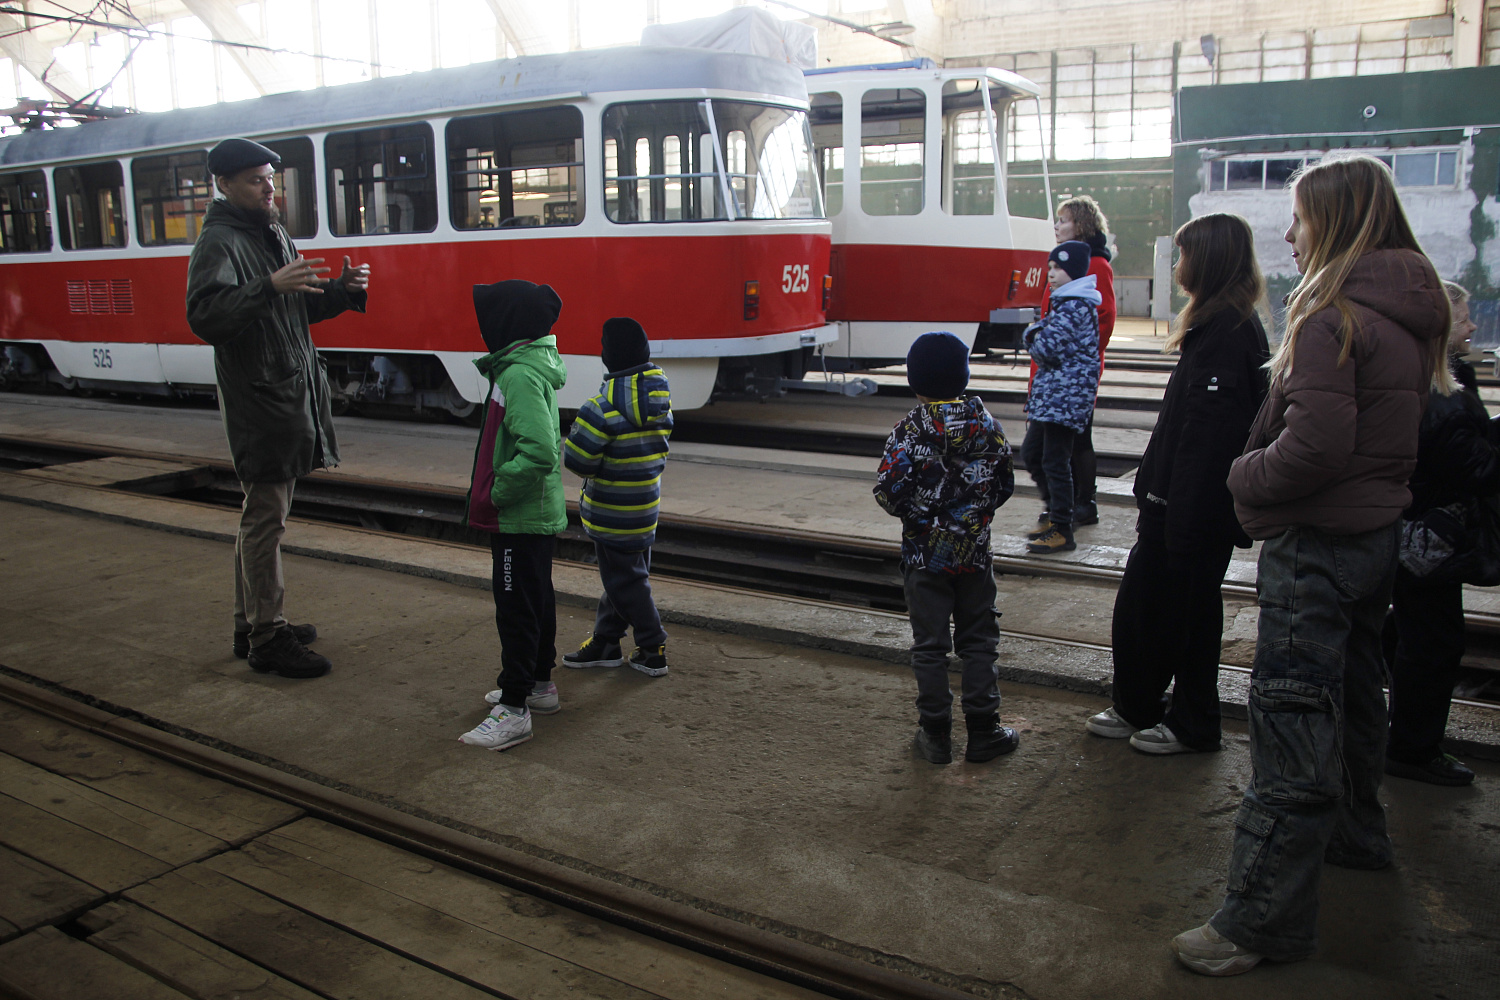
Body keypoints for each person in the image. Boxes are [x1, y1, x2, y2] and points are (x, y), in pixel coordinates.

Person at [1172, 155, 1451, 976]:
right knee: (1357, 701)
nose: (1289, 235)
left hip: (1319, 543)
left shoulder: (1333, 319)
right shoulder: (1407, 314)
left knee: (1291, 723)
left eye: (1299, 218)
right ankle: (1359, 835)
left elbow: (1316, 446)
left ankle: (1260, 922)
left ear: (1334, 221)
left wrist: (1241, 476)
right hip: (1374, 539)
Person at [186, 137, 370, 679]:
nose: (269, 189)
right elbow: (206, 318)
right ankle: (268, 636)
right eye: (255, 180)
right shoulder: (219, 242)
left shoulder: (269, 232)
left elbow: (293, 312)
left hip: (284, 391)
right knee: (265, 519)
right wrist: (267, 286)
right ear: (224, 184)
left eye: (270, 179)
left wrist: (340, 291)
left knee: (262, 516)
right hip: (259, 399)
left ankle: (250, 624)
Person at [1087, 214, 1270, 754]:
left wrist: (1182, 514)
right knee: (1148, 610)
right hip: (1174, 502)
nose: (1177, 266)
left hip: (1193, 510)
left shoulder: (1228, 332)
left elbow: (1207, 437)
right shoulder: (1215, 324)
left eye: (1184, 255)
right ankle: (1138, 704)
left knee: (1186, 616)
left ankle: (1194, 724)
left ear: (1208, 262)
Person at [874, 331, 1019, 765]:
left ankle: (935, 735)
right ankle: (984, 730)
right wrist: (971, 515)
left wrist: (922, 516)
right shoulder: (987, 427)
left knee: (930, 645)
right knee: (979, 641)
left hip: (924, 558)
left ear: (914, 382)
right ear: (964, 376)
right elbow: (1004, 486)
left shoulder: (908, 431)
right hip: (974, 555)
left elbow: (888, 493)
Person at [1385, 280, 1493, 787]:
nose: (1472, 326)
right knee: (1434, 643)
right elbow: (1477, 470)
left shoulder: (1436, 380)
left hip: (1419, 535)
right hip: (1431, 541)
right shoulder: (1444, 396)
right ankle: (1412, 749)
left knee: (1415, 633)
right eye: (1464, 318)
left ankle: (1406, 735)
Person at [460, 280, 569, 752]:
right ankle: (539, 685)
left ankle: (514, 707)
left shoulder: (518, 375)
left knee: (515, 609)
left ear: (506, 324)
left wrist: (498, 491)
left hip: (519, 515)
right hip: (533, 514)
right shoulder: (525, 368)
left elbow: (541, 450)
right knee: (536, 599)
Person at [561, 317, 674, 677]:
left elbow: (577, 461)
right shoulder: (660, 402)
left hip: (611, 512)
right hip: (643, 507)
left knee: (626, 582)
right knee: (624, 579)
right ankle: (606, 642)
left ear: (608, 356)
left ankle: (653, 647)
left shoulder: (600, 406)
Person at [1037, 195, 1116, 528]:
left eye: (1063, 220)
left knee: (1077, 438)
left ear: (1081, 225)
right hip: (1055, 369)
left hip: (1072, 371)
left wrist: (1070, 357)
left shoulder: (1095, 264)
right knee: (1058, 441)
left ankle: (1085, 503)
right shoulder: (1068, 263)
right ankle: (1065, 504)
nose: (1057, 226)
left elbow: (1105, 319)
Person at [1020, 241, 1101, 554]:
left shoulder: (1074, 307)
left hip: (1064, 401)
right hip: (1054, 400)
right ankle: (1056, 515)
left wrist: (1031, 333)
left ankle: (1062, 528)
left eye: (1058, 268)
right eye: (1050, 268)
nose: (1050, 274)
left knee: (1054, 461)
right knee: (1033, 453)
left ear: (1075, 271)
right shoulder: (1066, 303)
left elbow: (1045, 349)